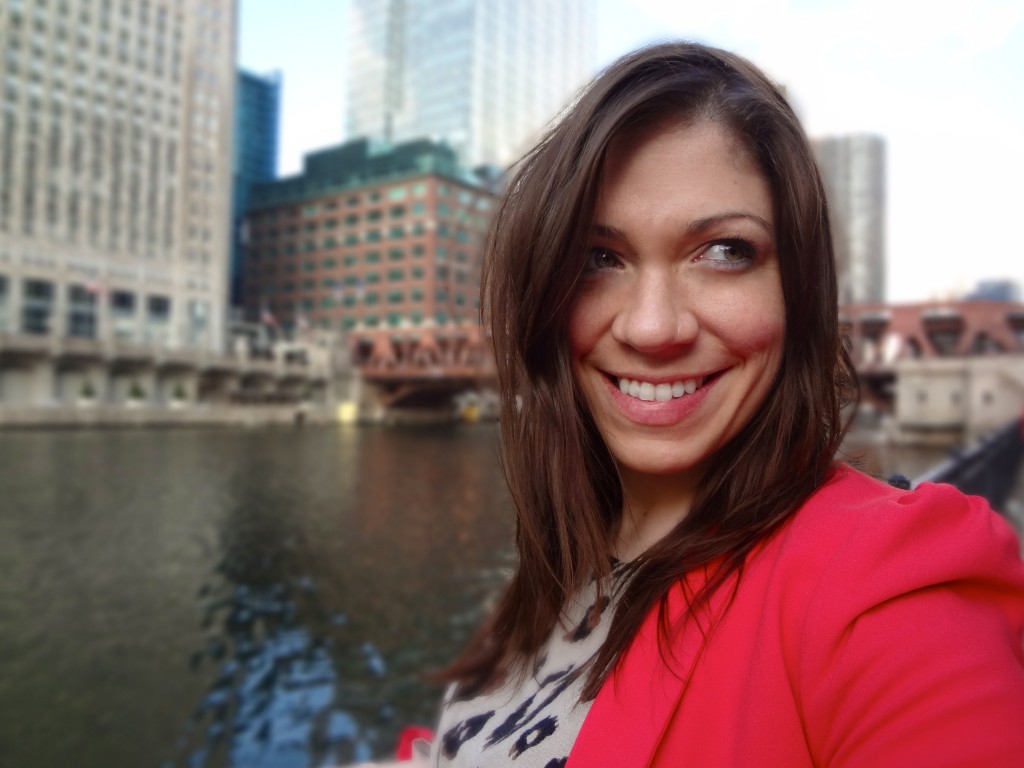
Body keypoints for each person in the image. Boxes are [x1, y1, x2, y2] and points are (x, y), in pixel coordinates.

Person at [361, 41, 1024, 767]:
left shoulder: (875, 592)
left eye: (724, 251)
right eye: (598, 258)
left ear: (798, 290)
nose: (651, 327)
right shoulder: (561, 569)